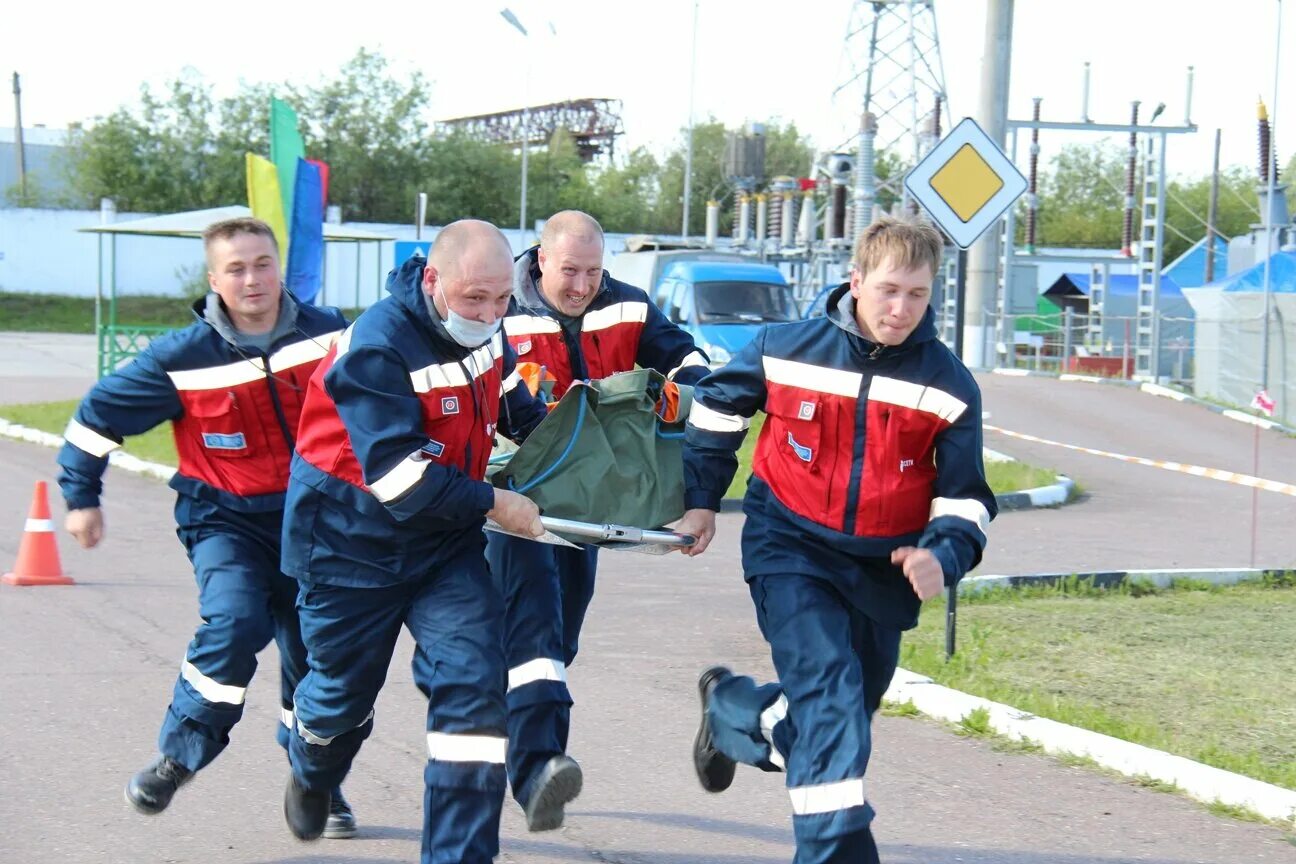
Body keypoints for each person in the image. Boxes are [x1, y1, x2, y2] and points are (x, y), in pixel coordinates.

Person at [676, 217, 997, 864]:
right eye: (887, 290)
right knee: (831, 706)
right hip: (789, 548)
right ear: (856, 282)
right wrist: (701, 501)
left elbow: (966, 497)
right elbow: (717, 408)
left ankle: (735, 710)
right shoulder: (785, 347)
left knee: (834, 723)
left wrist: (945, 554)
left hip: (884, 569)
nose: (901, 308)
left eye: (916, 293)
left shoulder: (950, 385)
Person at [56, 217, 360, 838]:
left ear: (281, 269)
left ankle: (315, 779)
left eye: (262, 264)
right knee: (235, 622)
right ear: (213, 279)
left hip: (319, 525)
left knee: (318, 657)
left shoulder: (332, 335)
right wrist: (82, 497)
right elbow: (95, 419)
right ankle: (177, 756)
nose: (252, 279)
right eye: (237, 268)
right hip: (225, 521)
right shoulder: (181, 358)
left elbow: (392, 403)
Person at [279, 219, 548, 862]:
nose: (489, 313)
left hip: (442, 547)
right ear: (432, 280)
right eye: (473, 298)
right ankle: (314, 765)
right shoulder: (378, 345)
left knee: (476, 688)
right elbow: (399, 482)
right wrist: (496, 501)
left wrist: (572, 454)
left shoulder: (488, 325)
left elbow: (511, 397)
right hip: (348, 548)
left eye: (501, 298)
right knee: (340, 701)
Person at [478, 210, 710, 831]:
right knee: (535, 636)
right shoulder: (504, 311)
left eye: (593, 272)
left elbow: (690, 361)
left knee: (561, 640)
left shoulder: (629, 309)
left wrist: (683, 391)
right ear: (542, 261)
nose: (581, 286)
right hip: (516, 507)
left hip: (588, 509)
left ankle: (481, 706)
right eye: (570, 271)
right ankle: (537, 770)